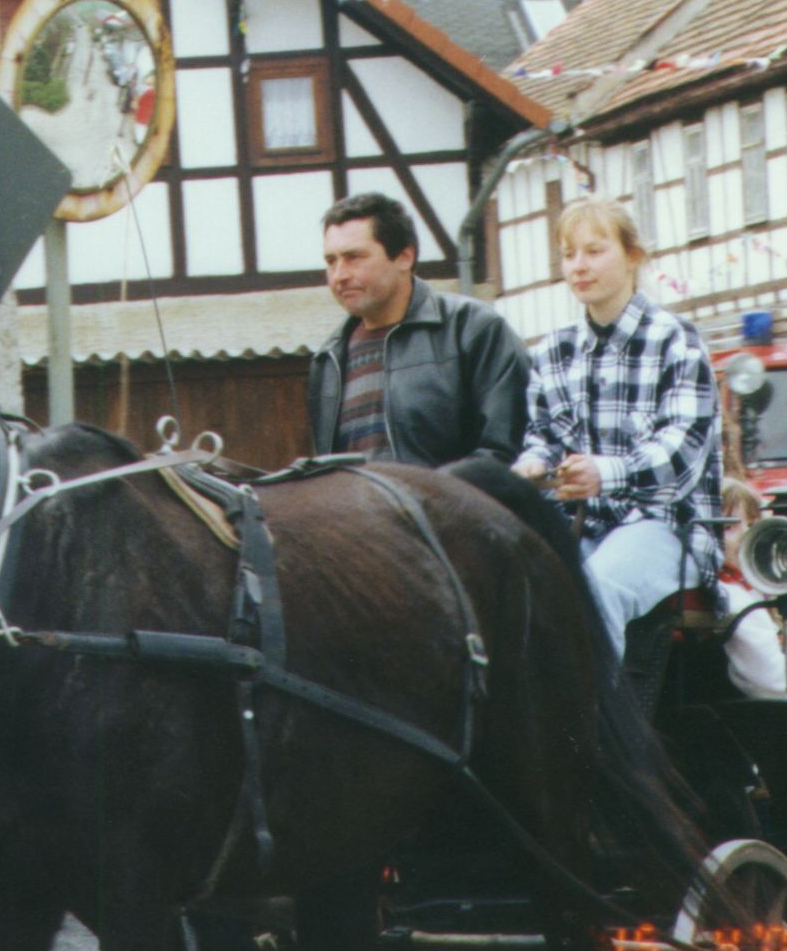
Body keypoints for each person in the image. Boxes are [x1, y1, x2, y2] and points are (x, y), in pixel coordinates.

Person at [513, 198, 722, 660]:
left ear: (632, 256)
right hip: (583, 528)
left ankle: (595, 728)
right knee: (508, 585)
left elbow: (681, 458)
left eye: (594, 251)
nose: (579, 266)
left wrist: (604, 474)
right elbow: (542, 438)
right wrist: (531, 466)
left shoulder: (677, 340)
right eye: (569, 255)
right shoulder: (553, 351)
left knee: (592, 589)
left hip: (670, 527)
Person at [306, 192, 530, 467]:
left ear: (404, 257)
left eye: (354, 257)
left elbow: (504, 452)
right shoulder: (328, 360)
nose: (339, 275)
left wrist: (427, 503)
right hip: (359, 510)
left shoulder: (473, 330)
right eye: (331, 261)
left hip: (455, 510)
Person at [718, 478, 787, 701]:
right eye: (729, 527)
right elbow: (780, 685)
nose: (745, 535)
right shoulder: (736, 598)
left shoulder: (753, 587)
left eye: (752, 524)